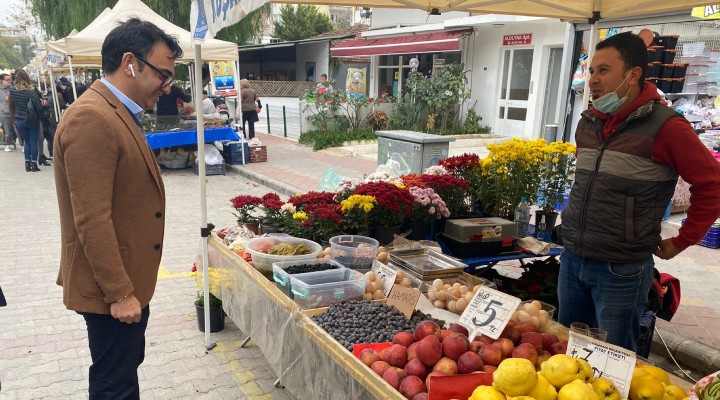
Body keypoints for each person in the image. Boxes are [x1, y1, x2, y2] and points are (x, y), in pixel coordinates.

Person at [558, 32, 720, 351]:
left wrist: (683, 240)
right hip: (573, 258)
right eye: (591, 71)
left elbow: (713, 184)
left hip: (620, 269)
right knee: (565, 351)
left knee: (613, 359)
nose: (593, 80)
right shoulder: (588, 122)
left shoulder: (667, 127)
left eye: (604, 71)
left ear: (633, 75)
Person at [53, 18, 182, 399]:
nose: (168, 85)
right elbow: (91, 218)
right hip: (111, 290)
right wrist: (120, 292)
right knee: (115, 383)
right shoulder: (92, 117)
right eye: (163, 73)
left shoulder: (116, 110)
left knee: (122, 372)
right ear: (131, 63)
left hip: (125, 283)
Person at [9, 69, 44, 172]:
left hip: (19, 119)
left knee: (27, 142)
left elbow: (12, 105)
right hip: (32, 119)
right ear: (27, 78)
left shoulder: (13, 91)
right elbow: (38, 106)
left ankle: (27, 164)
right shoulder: (31, 91)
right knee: (33, 142)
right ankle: (34, 164)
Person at [1, 73, 16, 151]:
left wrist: (11, 99)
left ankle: (23, 144)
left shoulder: (12, 88)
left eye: (10, 80)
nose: (9, 81)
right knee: (7, 130)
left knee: (18, 130)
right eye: (7, 80)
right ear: (1, 80)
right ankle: (7, 145)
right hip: (3, 112)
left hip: (13, 112)